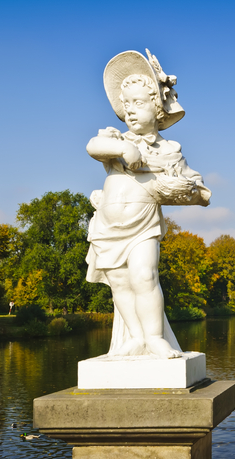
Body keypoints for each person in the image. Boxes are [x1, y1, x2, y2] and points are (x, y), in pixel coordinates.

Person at [85, 50, 210, 359]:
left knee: (144, 276)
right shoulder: (115, 139)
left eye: (138, 103)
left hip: (142, 225)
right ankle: (136, 337)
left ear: (157, 109)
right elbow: (92, 146)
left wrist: (189, 192)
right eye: (126, 104)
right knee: (120, 283)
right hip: (107, 227)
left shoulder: (169, 151)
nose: (130, 110)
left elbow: (197, 188)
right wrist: (123, 149)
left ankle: (154, 338)